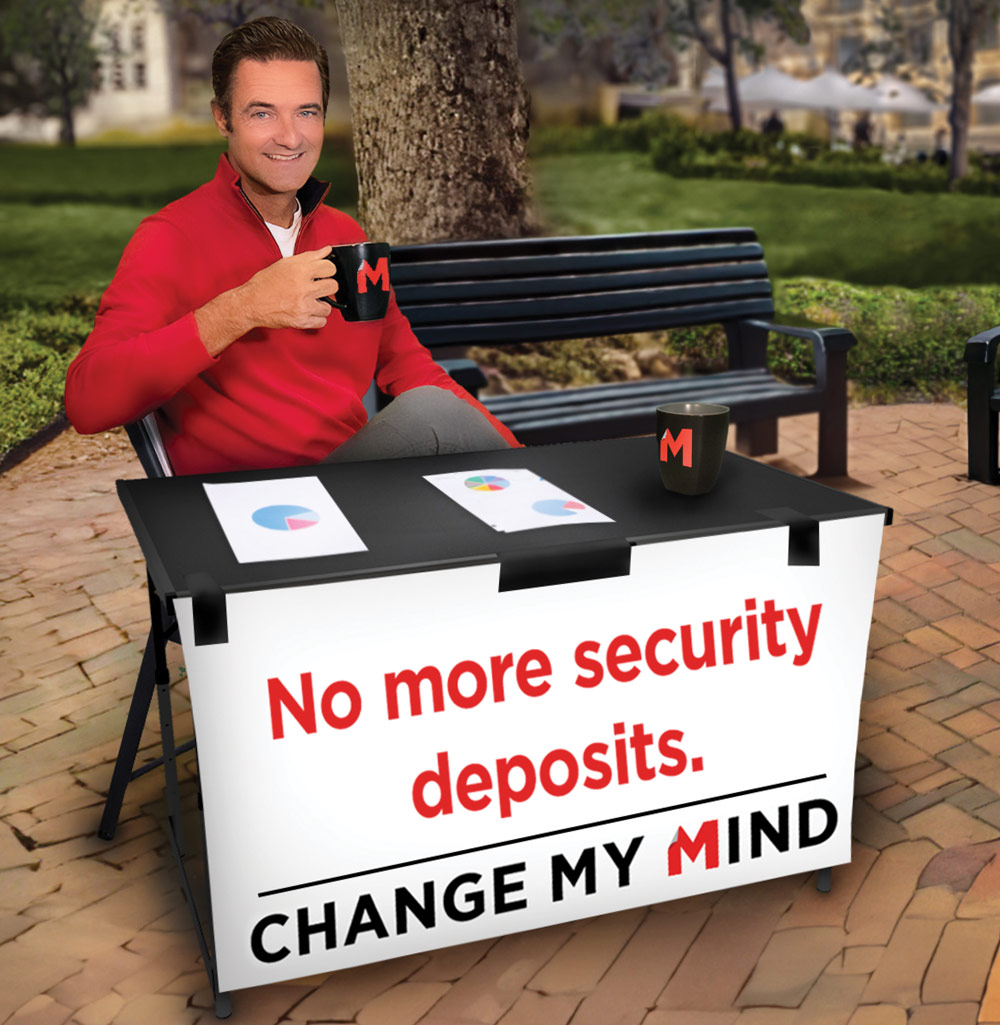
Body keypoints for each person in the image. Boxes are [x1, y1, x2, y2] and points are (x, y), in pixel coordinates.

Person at [64, 17, 518, 475]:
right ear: (222, 117)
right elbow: (87, 402)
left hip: (348, 483)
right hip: (251, 507)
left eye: (307, 111)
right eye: (262, 113)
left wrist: (525, 462)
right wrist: (243, 308)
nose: (291, 136)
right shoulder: (169, 238)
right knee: (431, 416)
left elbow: (412, 368)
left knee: (441, 422)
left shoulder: (347, 237)